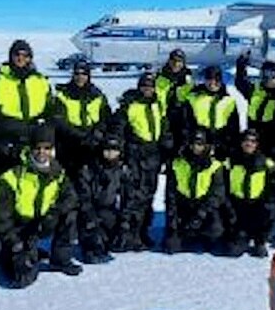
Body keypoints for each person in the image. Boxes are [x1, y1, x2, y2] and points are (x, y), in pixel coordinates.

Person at [0, 123, 82, 288]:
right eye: (37, 148)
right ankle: (14, 255)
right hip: (19, 227)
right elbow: (2, 216)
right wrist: (14, 242)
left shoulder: (58, 173)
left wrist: (53, 213)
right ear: (30, 148)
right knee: (23, 278)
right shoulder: (13, 175)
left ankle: (61, 259)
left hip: (42, 223)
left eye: (47, 148)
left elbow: (71, 197)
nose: (42, 153)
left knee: (70, 214)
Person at [110, 73, 173, 249]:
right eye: (144, 86)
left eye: (150, 86)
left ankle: (142, 231)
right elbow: (118, 130)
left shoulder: (158, 104)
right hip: (135, 156)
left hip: (153, 157)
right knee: (131, 197)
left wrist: (167, 145)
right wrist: (121, 154)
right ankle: (125, 234)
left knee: (148, 196)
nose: (147, 89)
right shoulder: (130, 105)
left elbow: (164, 127)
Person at [162, 128, 230, 254]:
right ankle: (184, 234)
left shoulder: (215, 166)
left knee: (215, 230)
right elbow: (170, 195)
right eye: (193, 143)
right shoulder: (177, 164)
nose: (196, 147)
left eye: (200, 144)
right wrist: (173, 222)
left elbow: (217, 195)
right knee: (171, 246)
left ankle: (203, 236)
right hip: (183, 206)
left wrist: (200, 215)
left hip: (204, 208)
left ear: (206, 145)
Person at [76, 133, 140, 261]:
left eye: (114, 150)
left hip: (110, 212)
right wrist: (92, 221)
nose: (110, 154)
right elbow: (83, 198)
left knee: (124, 241)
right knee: (94, 243)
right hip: (89, 213)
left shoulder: (123, 170)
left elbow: (129, 198)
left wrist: (124, 223)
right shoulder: (89, 169)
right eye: (107, 150)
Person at [0, 40, 52, 173]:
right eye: (17, 54)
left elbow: (50, 111)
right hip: (8, 138)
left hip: (34, 138)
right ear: (11, 56)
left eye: (25, 55)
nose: (21, 58)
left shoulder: (41, 81)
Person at [222, 128, 275, 257]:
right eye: (246, 140)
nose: (249, 144)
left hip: (257, 206)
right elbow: (223, 188)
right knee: (234, 251)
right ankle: (239, 236)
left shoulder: (266, 163)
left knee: (272, 211)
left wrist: (270, 204)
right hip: (237, 207)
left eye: (253, 141)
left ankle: (260, 240)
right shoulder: (230, 161)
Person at [50, 60, 112, 182]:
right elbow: (60, 121)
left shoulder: (97, 96)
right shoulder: (63, 95)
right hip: (70, 143)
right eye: (77, 74)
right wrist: (80, 136)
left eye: (83, 74)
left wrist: (98, 132)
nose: (80, 77)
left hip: (93, 143)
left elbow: (106, 118)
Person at [178, 65, 241, 161]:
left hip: (221, 138)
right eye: (209, 79)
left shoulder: (229, 100)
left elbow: (234, 125)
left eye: (216, 80)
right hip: (200, 138)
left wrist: (230, 143)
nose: (212, 83)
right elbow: (187, 121)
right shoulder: (194, 98)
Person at [234, 52, 275, 163]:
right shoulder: (255, 89)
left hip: (271, 133)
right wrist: (241, 66)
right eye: (264, 74)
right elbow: (240, 83)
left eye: (271, 74)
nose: (267, 78)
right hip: (254, 128)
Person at [155, 48, 194, 117]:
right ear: (169, 61)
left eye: (179, 61)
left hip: (183, 116)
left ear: (183, 63)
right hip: (163, 116)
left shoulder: (188, 80)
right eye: (173, 60)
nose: (176, 64)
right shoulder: (160, 77)